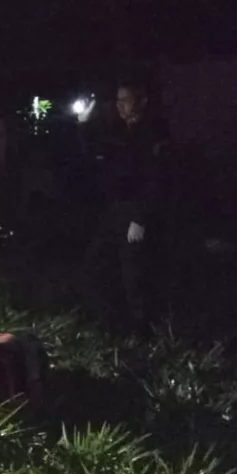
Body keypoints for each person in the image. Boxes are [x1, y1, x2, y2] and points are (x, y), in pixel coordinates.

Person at [83, 80, 169, 332]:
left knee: (135, 272)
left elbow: (157, 178)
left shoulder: (154, 132)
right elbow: (95, 156)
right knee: (97, 262)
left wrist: (140, 218)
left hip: (135, 210)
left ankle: (143, 327)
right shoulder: (119, 131)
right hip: (115, 209)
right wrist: (84, 124)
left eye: (126, 100)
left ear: (142, 101)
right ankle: (111, 319)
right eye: (118, 100)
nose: (120, 105)